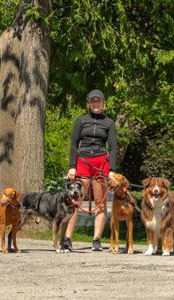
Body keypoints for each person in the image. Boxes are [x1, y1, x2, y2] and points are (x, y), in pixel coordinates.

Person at [64, 89, 117, 251]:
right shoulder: (81, 120)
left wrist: (112, 170)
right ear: (89, 103)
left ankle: (96, 239)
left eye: (98, 101)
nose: (96, 104)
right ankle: (67, 238)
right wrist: (72, 166)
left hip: (101, 162)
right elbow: (73, 144)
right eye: (93, 101)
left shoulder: (109, 122)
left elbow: (113, 147)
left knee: (100, 203)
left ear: (103, 103)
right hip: (83, 161)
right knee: (75, 200)